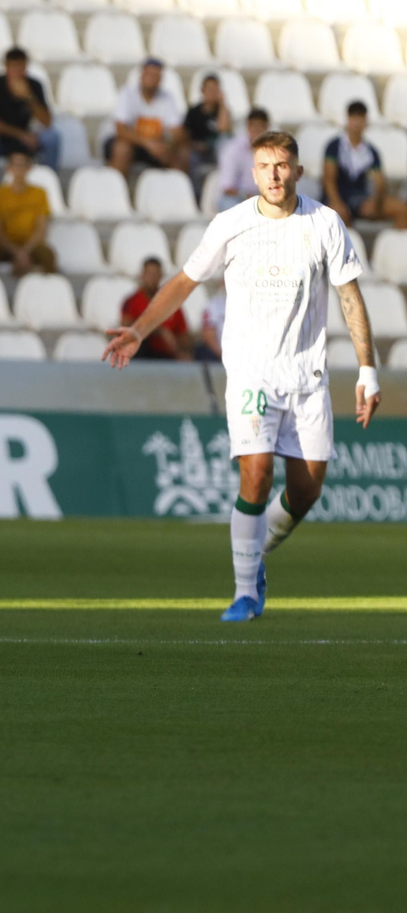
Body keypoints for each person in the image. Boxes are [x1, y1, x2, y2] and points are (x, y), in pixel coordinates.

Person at [103, 130, 381, 621]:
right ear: (252, 174)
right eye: (265, 166)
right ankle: (244, 590)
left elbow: (349, 296)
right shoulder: (231, 224)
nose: (274, 175)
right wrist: (140, 331)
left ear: (297, 169)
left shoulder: (325, 223)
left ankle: (259, 549)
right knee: (255, 474)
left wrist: (367, 369)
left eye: (282, 165)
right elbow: (186, 280)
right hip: (251, 374)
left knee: (307, 490)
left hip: (307, 378)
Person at [323, 102, 407, 229]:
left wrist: (376, 200)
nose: (357, 123)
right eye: (353, 118)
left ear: (366, 122)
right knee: (339, 214)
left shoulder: (371, 152)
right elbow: (329, 179)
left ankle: (397, 246)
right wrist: (337, 202)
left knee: (401, 208)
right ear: (348, 120)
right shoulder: (334, 147)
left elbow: (379, 182)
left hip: (361, 199)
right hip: (340, 197)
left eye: (360, 118)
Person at [0, 47, 59, 168]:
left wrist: (29, 97)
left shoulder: (34, 85)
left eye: (21, 67)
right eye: (13, 67)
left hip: (27, 139)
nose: (17, 71)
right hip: (2, 139)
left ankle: (48, 177)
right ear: (6, 67)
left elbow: (47, 122)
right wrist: (21, 135)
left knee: (52, 138)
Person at [107, 58, 186, 176]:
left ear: (160, 79)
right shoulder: (127, 94)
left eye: (155, 75)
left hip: (156, 144)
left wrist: (167, 145)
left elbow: (177, 131)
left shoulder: (167, 98)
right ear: (142, 75)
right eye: (149, 74)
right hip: (132, 142)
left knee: (181, 154)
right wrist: (148, 143)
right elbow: (121, 130)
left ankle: (176, 190)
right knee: (122, 148)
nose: (151, 79)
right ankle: (115, 187)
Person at [0, 149, 56, 273]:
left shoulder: (40, 193)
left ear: (29, 168)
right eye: (16, 165)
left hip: (32, 245)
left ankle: (51, 290)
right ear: (9, 168)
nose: (19, 169)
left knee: (48, 255)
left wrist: (25, 251)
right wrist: (15, 251)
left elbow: (41, 228)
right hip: (5, 245)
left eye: (23, 165)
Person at [120, 257, 191, 360]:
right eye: (149, 274)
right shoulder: (131, 302)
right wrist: (159, 331)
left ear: (161, 276)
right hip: (142, 354)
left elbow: (183, 333)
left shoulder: (171, 303)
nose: (152, 278)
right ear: (143, 275)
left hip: (167, 356)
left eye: (156, 274)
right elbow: (126, 327)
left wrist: (183, 349)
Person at [184, 73, 231, 197]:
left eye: (215, 89)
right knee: (191, 157)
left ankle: (224, 187)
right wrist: (197, 146)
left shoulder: (221, 111)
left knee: (224, 144)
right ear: (202, 90)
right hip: (197, 151)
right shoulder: (193, 112)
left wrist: (222, 104)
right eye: (209, 89)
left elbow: (224, 129)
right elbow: (186, 136)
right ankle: (197, 195)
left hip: (215, 150)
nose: (212, 92)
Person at [215, 106, 267, 211]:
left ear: (266, 127)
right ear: (248, 127)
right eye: (254, 127)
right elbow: (227, 188)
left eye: (260, 127)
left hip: (264, 199)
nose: (257, 131)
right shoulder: (233, 149)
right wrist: (248, 196)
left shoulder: (274, 150)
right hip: (238, 198)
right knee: (230, 206)